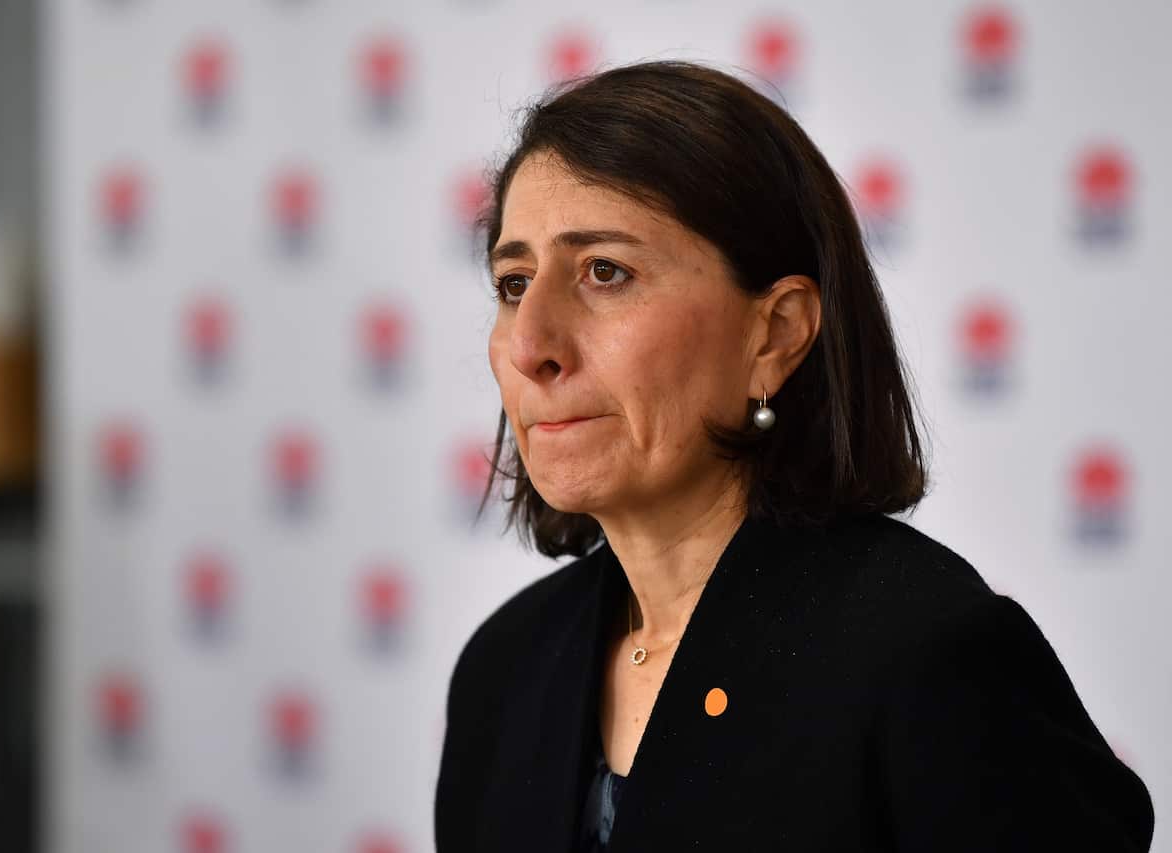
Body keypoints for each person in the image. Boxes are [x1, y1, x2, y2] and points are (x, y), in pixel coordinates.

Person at [433, 60, 1155, 852]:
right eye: (512, 282)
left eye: (605, 272)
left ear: (774, 333)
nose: (530, 344)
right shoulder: (504, 670)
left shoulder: (929, 655)